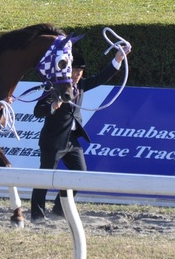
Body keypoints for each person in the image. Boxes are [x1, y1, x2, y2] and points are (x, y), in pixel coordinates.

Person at [30, 46, 131, 222]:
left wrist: (118, 59)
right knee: (45, 178)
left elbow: (101, 78)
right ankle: (37, 214)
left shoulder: (82, 85)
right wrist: (53, 107)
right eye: (75, 70)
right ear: (68, 70)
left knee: (80, 174)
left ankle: (59, 210)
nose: (77, 74)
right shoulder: (54, 86)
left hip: (72, 140)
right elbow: (38, 110)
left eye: (80, 71)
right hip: (53, 140)